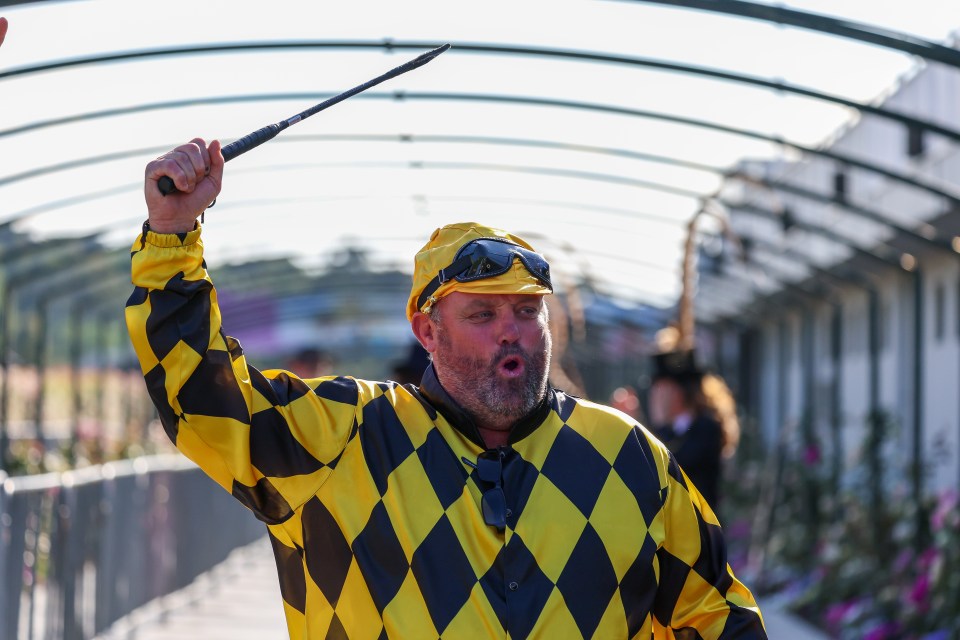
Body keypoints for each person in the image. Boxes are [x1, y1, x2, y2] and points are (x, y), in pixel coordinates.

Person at [126, 138, 766, 639]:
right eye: (483, 316)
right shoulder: (345, 436)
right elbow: (200, 399)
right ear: (426, 331)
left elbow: (719, 615)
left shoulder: (627, 457)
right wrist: (173, 238)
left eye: (525, 312)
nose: (511, 333)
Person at [648, 337, 740, 510]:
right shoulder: (668, 430)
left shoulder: (707, 428)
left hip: (700, 529)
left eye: (661, 388)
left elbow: (672, 467)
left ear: (677, 392)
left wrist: (657, 424)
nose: (655, 395)